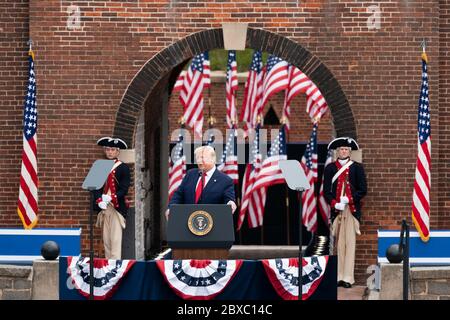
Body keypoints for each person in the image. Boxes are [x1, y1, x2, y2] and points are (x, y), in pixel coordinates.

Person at [323, 137, 367, 289]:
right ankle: (338, 276)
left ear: (350, 152)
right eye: (342, 149)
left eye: (347, 149)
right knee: (338, 245)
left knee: (350, 244)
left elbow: (363, 190)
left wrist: (348, 199)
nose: (344, 151)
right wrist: (335, 203)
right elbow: (326, 192)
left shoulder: (357, 167)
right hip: (337, 210)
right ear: (337, 151)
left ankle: (348, 277)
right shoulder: (330, 168)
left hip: (351, 210)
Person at [166, 145, 236, 220]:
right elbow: (178, 195)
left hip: (212, 223)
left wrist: (230, 203)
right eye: (197, 158)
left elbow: (229, 199)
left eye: (202, 157)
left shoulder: (225, 180)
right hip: (188, 221)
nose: (199, 161)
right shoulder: (190, 174)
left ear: (213, 159)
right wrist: (171, 208)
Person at [93, 136, 131, 260]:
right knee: (106, 240)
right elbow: (95, 187)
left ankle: (115, 265)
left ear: (118, 151)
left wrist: (110, 197)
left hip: (116, 207)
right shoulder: (100, 166)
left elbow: (124, 189)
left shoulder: (123, 167)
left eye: (113, 150)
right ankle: (108, 263)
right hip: (104, 207)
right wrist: (99, 200)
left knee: (115, 239)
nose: (110, 152)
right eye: (108, 149)